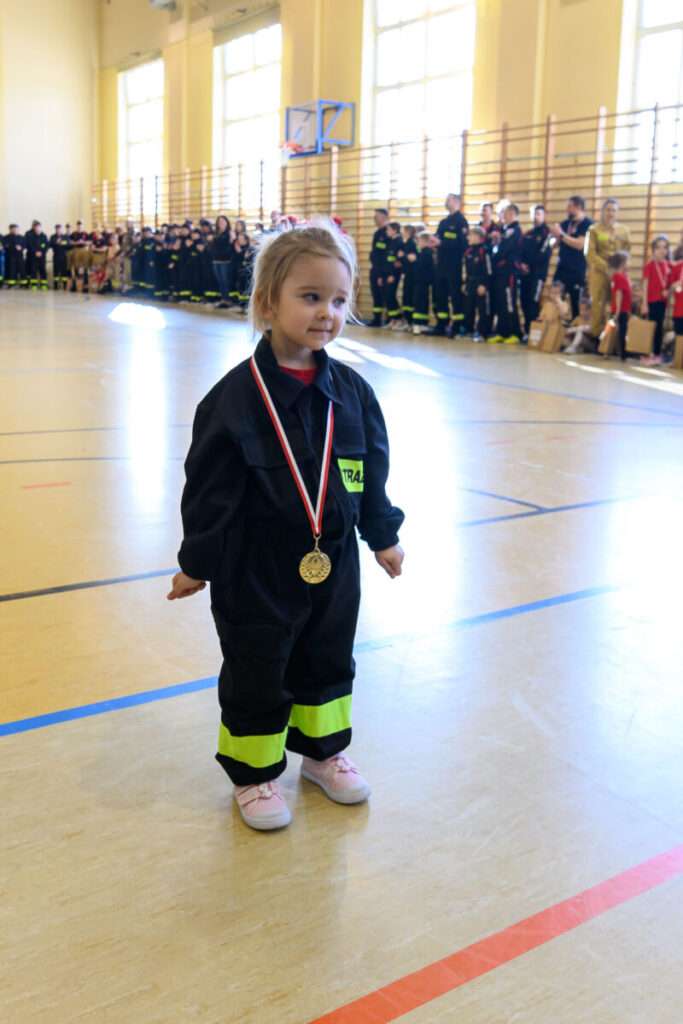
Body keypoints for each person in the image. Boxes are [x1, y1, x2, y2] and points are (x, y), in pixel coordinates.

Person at [167, 221, 405, 832]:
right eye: (311, 296)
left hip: (334, 562)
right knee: (257, 664)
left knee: (328, 657)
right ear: (267, 302)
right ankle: (254, 775)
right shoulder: (234, 400)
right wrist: (198, 561)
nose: (328, 312)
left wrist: (382, 533)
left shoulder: (353, 393)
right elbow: (210, 491)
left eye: (339, 300)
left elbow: (369, 470)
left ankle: (323, 756)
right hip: (256, 565)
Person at [585, 199, 631, 340]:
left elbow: (627, 251)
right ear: (603, 211)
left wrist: (621, 269)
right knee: (598, 306)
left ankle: (614, 340)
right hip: (599, 274)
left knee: (618, 306)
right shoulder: (593, 230)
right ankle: (597, 339)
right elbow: (589, 253)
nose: (611, 213)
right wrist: (608, 268)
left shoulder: (624, 230)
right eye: (608, 210)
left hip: (618, 277)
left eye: (614, 210)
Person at [551, 196, 593, 319]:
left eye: (570, 206)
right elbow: (553, 245)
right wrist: (554, 235)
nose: (567, 209)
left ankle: (574, 333)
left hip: (576, 271)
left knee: (576, 304)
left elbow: (580, 244)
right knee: (556, 301)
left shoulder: (587, 224)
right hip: (561, 269)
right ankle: (556, 332)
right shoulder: (565, 224)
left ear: (578, 207)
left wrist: (562, 235)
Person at [433, 193, 469, 336]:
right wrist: (432, 242)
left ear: (456, 202)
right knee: (440, 295)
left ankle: (457, 326)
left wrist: (443, 243)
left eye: (448, 199)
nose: (445, 202)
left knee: (455, 296)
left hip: (454, 265)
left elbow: (462, 244)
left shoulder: (461, 222)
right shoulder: (443, 222)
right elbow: (437, 238)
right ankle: (441, 324)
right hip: (441, 264)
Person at [489, 203, 523, 344]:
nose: (503, 216)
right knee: (500, 302)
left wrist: (498, 244)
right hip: (500, 272)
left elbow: (505, 249)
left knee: (509, 302)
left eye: (506, 213)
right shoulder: (505, 230)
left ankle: (515, 333)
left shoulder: (515, 229)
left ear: (512, 214)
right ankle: (502, 332)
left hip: (509, 271)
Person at [519, 205, 552, 334]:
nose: (536, 216)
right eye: (534, 214)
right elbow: (520, 252)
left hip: (537, 275)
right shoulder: (528, 234)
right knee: (524, 302)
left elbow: (544, 255)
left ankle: (534, 333)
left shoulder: (547, 234)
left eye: (538, 214)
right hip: (525, 275)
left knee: (534, 303)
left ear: (544, 216)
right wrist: (521, 264)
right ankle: (527, 332)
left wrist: (530, 266)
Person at [641, 235, 672, 362]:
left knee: (659, 327)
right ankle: (646, 352)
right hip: (650, 301)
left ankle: (657, 353)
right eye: (658, 247)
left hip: (662, 301)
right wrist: (644, 304)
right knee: (650, 327)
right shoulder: (649, 266)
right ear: (653, 249)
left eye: (665, 247)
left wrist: (668, 291)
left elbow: (671, 283)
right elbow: (645, 286)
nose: (661, 250)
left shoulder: (669, 266)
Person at [462, 225, 492, 341]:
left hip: (480, 283)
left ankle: (482, 333)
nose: (468, 237)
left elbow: (488, 270)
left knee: (483, 309)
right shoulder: (468, 251)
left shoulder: (484, 250)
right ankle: (469, 331)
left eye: (470, 235)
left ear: (478, 236)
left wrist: (484, 284)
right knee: (468, 307)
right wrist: (465, 283)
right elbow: (467, 269)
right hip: (470, 282)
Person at [605, 250, 632, 361]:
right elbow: (618, 294)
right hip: (620, 310)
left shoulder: (620, 276)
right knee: (619, 331)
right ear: (622, 263)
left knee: (617, 330)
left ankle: (611, 350)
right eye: (628, 261)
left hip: (620, 309)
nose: (630, 263)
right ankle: (618, 352)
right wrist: (617, 311)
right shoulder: (619, 277)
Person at [367, 208, 388, 327]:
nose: (374, 218)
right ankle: (377, 319)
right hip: (375, 268)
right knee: (376, 294)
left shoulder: (387, 233)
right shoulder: (377, 233)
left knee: (385, 294)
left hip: (384, 270)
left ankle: (391, 319)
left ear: (383, 217)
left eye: (377, 216)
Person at [411, 231, 435, 335]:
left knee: (418, 302)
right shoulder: (425, 252)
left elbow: (421, 268)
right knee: (423, 302)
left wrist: (414, 261)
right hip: (424, 282)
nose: (418, 243)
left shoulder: (426, 253)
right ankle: (423, 324)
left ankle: (417, 324)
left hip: (421, 281)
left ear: (425, 241)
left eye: (420, 241)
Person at [382, 221, 403, 328]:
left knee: (391, 295)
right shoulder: (390, 241)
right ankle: (392, 319)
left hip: (393, 274)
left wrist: (393, 275)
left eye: (389, 229)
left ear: (395, 230)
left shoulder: (399, 242)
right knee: (387, 295)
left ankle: (398, 318)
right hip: (386, 272)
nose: (387, 232)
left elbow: (398, 262)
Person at [212, 214, 233, 308]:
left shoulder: (229, 233)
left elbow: (230, 245)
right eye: (219, 221)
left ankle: (228, 300)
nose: (221, 223)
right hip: (216, 260)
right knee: (220, 281)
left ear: (226, 222)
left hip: (225, 261)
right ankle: (223, 299)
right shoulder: (216, 234)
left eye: (223, 221)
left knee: (226, 281)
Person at [398, 224, 418, 328]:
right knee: (406, 297)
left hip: (411, 275)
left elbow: (412, 258)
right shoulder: (408, 243)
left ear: (408, 232)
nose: (402, 233)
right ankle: (408, 320)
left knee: (409, 297)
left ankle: (410, 321)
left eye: (404, 231)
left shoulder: (411, 243)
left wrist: (403, 255)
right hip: (408, 273)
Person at [25, 220, 49, 291]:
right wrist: (35, 252)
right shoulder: (31, 236)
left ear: (41, 227)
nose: (37, 228)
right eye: (36, 227)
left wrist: (42, 252)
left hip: (42, 256)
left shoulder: (44, 236)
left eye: (39, 227)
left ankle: (43, 284)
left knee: (43, 270)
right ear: (34, 228)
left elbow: (46, 246)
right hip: (34, 256)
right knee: (33, 270)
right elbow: (30, 245)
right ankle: (34, 285)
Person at [49, 225, 69, 290]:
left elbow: (68, 244)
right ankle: (55, 285)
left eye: (60, 229)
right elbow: (50, 244)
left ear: (61, 229)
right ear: (56, 229)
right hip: (56, 256)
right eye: (57, 229)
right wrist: (57, 242)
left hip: (63, 256)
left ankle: (65, 285)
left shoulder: (65, 236)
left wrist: (62, 242)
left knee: (64, 271)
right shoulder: (53, 237)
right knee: (56, 271)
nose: (58, 230)